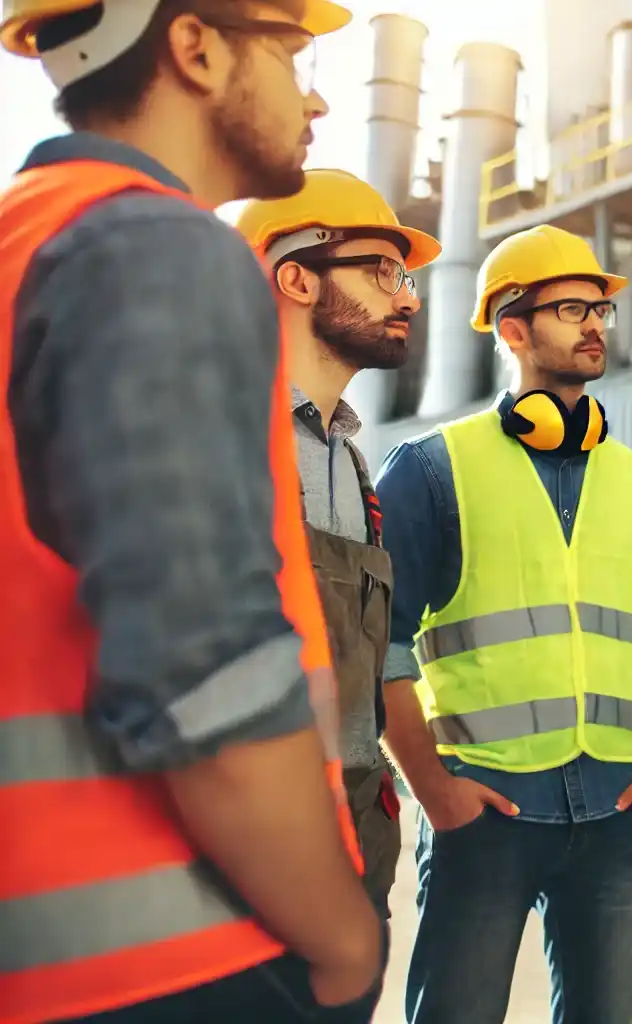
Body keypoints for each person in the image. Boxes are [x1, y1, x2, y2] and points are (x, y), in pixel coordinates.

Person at [0, 1, 385, 1021]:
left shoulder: (27, 244)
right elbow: (200, 666)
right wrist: (341, 933)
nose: (317, 93)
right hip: (178, 958)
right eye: (291, 51)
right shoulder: (150, 247)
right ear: (197, 47)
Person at [375, 224, 632, 1024]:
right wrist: (432, 791)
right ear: (513, 330)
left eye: (602, 309)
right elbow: (380, 647)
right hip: (487, 808)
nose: (594, 325)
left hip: (617, 807)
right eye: (572, 307)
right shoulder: (432, 469)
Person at [234, 167, 440, 919]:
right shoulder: (209, 432)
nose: (408, 296)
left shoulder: (351, 459)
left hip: (354, 828)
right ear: (296, 278)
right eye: (382, 270)